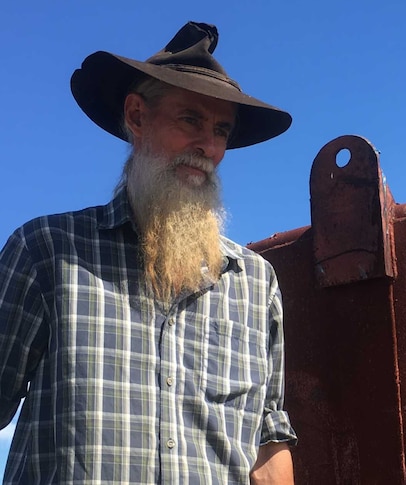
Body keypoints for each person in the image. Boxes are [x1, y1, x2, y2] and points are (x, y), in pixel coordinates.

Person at [0, 22, 297, 484]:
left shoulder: (257, 284)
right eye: (190, 120)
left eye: (221, 130)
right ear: (136, 117)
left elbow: (267, 447)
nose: (209, 147)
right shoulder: (48, 253)